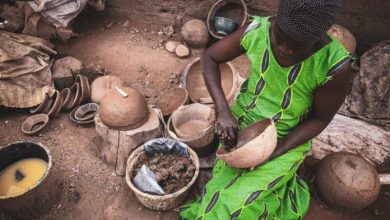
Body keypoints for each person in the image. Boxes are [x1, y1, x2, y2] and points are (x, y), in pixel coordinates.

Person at [180, 0, 357, 219]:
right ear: (276, 20)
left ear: (317, 38)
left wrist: (276, 151)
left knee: (236, 206)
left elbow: (319, 120)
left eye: (296, 45)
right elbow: (210, 57)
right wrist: (224, 112)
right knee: (221, 194)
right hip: (243, 126)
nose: (284, 48)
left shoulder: (334, 66)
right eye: (280, 35)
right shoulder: (259, 29)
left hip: (289, 139)